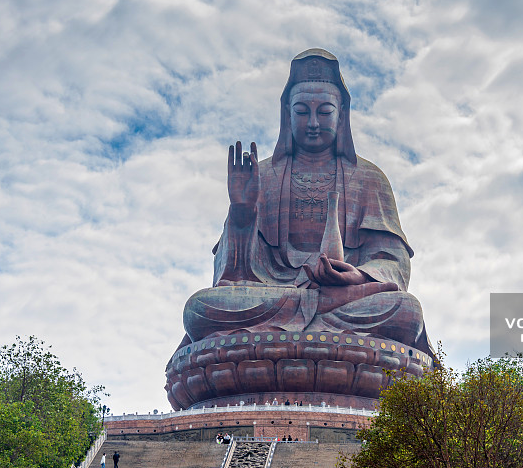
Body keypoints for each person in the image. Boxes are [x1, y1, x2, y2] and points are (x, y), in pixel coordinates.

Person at [182, 48, 431, 353]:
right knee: (199, 309)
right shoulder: (264, 177)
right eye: (302, 112)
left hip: (344, 299)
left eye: (324, 112)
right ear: (288, 116)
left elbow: (395, 261)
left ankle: (281, 337)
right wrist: (242, 213)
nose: (313, 122)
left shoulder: (369, 178)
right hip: (275, 294)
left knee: (405, 311)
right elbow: (231, 272)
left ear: (341, 117)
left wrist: (359, 275)